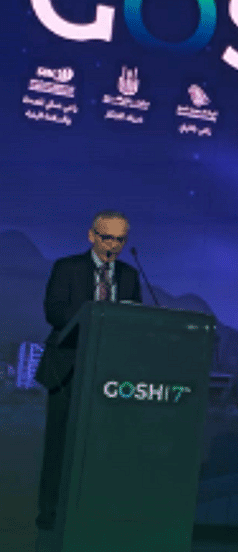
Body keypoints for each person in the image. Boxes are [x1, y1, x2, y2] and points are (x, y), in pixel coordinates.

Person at [35, 210, 141, 531]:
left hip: (109, 372)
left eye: (120, 239)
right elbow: (54, 312)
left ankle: (93, 511)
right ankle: (50, 512)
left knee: (102, 445)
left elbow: (136, 319)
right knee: (60, 445)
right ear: (91, 235)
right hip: (67, 369)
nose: (114, 245)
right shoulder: (67, 267)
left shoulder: (130, 275)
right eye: (107, 237)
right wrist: (95, 318)